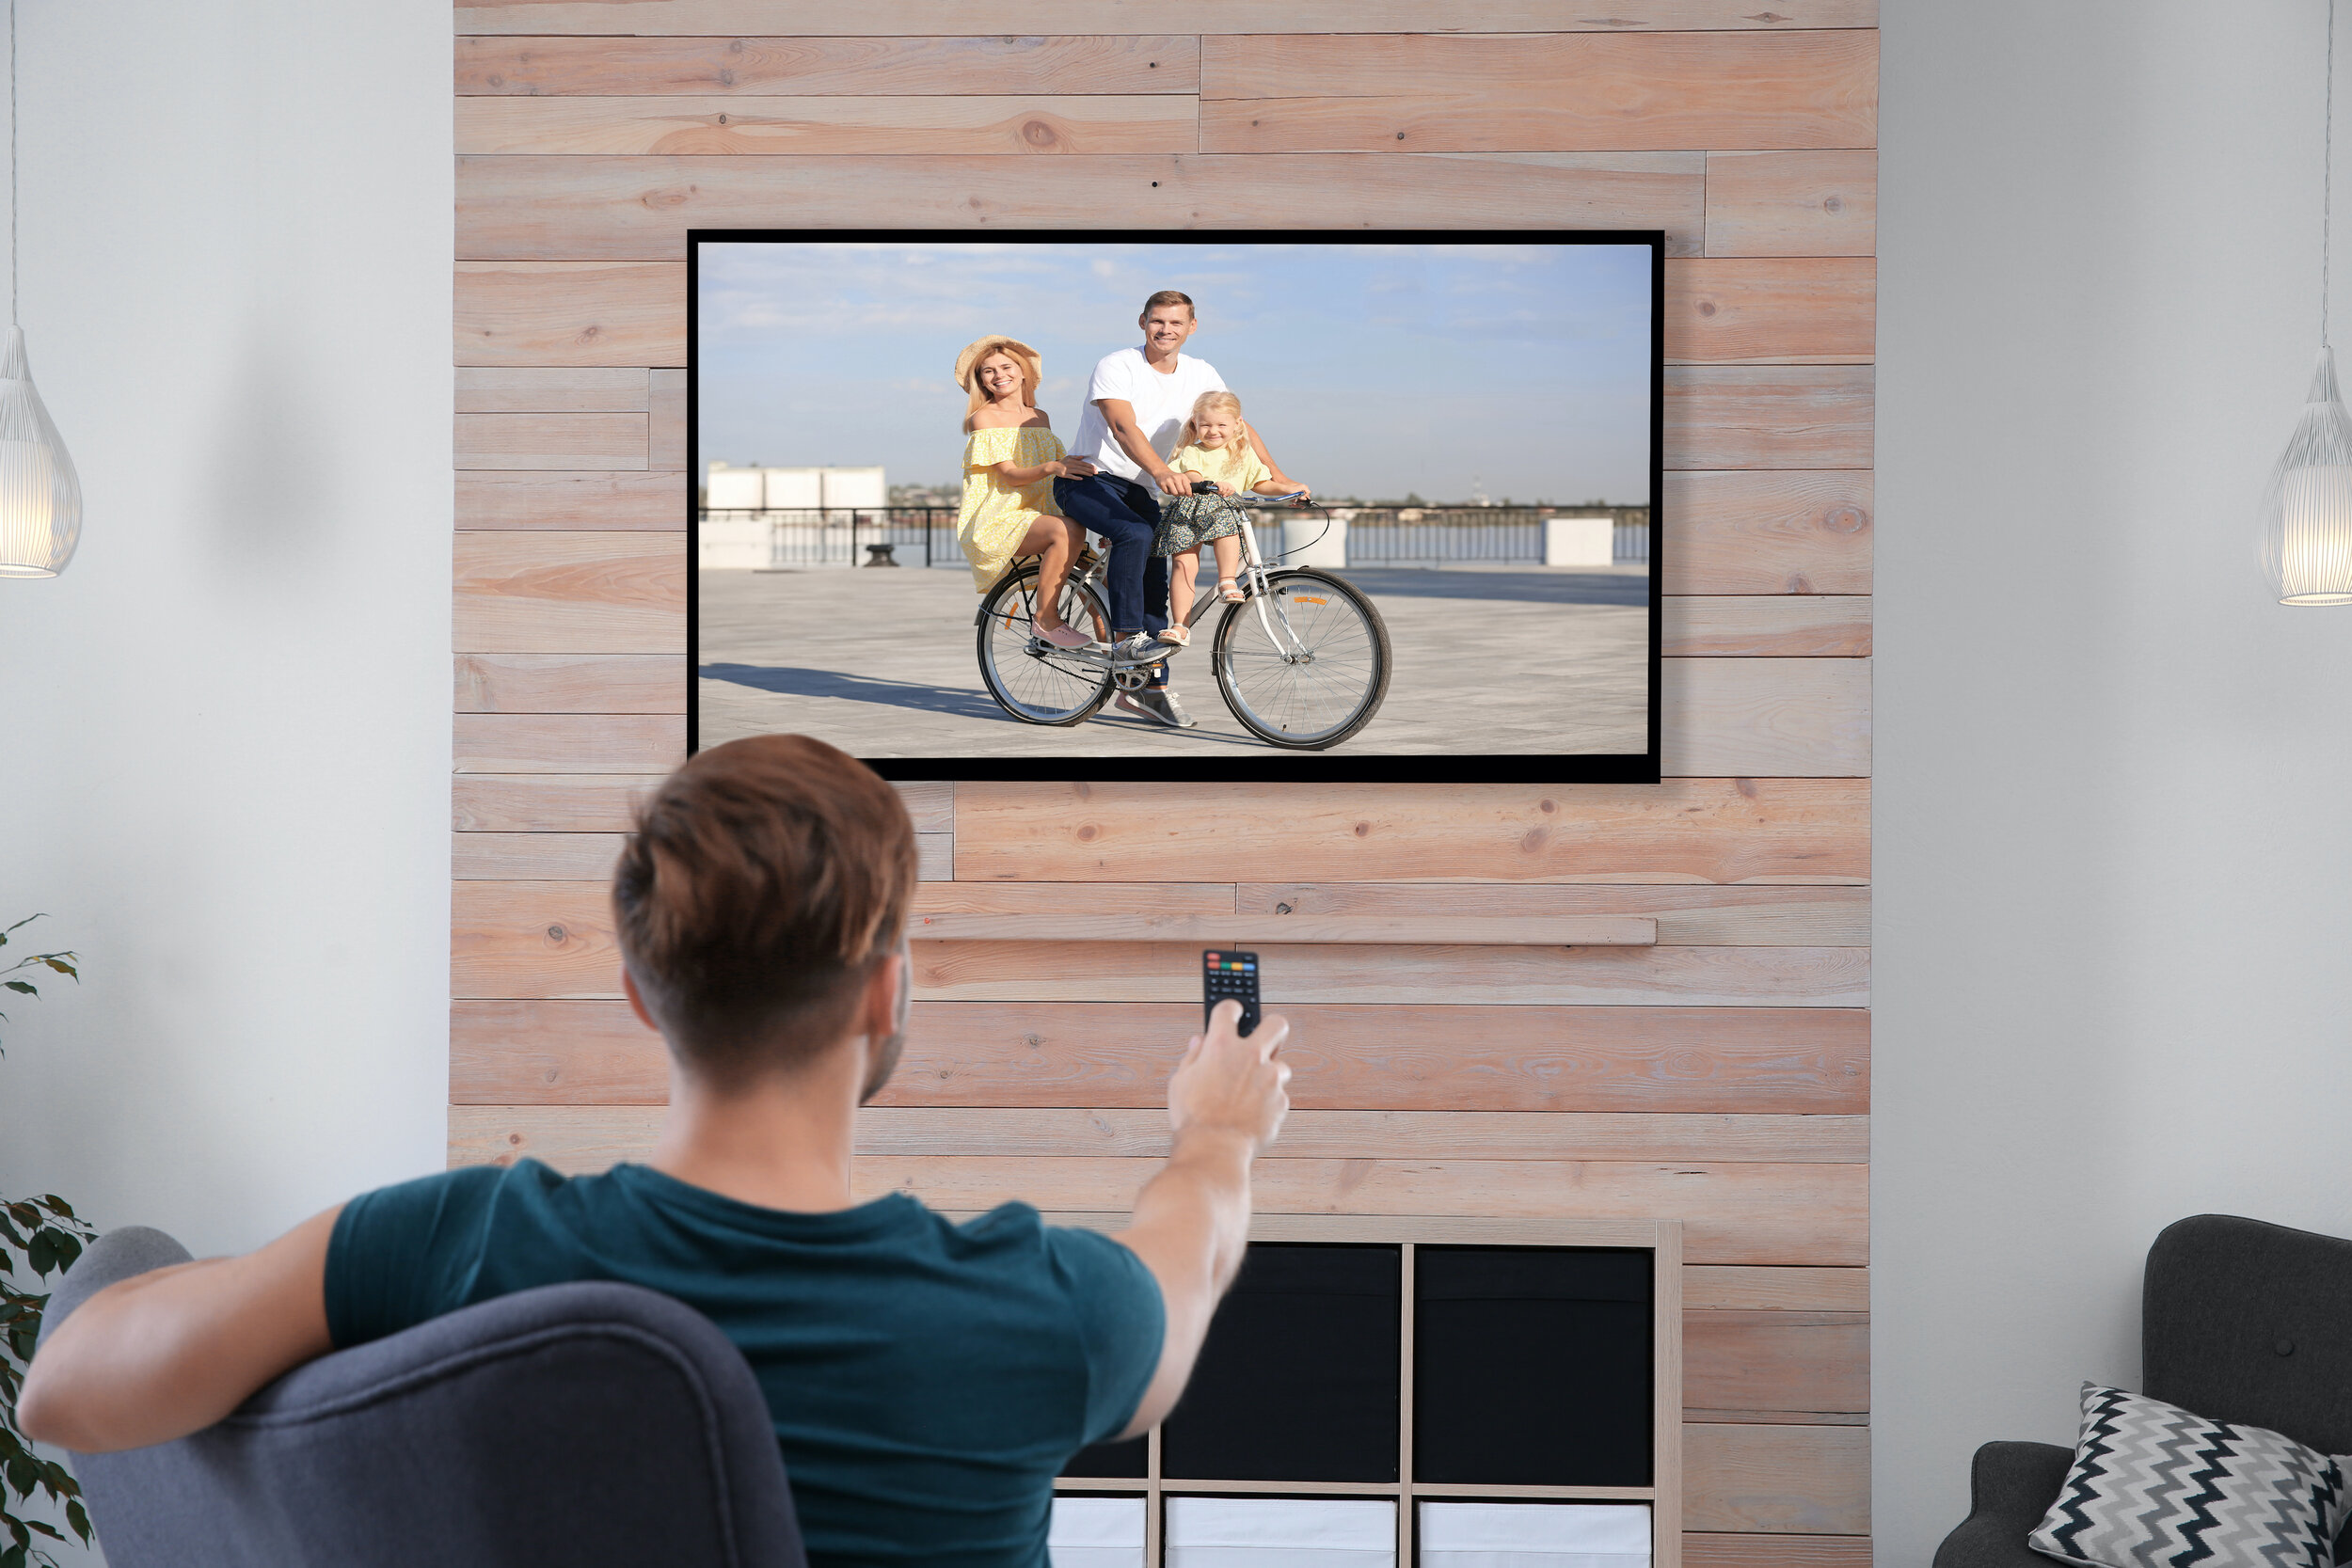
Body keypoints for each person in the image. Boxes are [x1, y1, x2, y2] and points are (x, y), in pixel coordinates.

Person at [21, 735, 1293, 1568]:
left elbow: (64, 1385)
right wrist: (1220, 1130)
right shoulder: (1039, 1307)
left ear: (640, 991)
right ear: (885, 994)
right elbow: (1183, 1262)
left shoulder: (461, 1239)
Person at [1055, 290, 1295, 728]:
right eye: (1157, 321)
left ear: (1192, 327)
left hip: (1142, 489)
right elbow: (1122, 426)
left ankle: (1148, 689)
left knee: (1157, 586)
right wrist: (1164, 471)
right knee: (1136, 535)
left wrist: (1277, 478)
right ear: (1143, 321)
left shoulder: (1201, 372)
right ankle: (1128, 642)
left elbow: (1237, 424)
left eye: (1176, 322)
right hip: (1089, 481)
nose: (1166, 330)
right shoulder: (1118, 365)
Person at [953, 335, 1095, 648]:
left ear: (1022, 372)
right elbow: (1012, 476)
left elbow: (1060, 468)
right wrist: (1052, 467)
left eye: (1006, 366)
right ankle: (1045, 619)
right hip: (1000, 517)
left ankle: (1119, 662)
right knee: (1066, 529)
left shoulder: (1039, 417)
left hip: (1041, 512)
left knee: (1101, 580)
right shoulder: (984, 417)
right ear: (981, 381)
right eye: (988, 371)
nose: (998, 374)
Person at [1154, 389, 1311, 646]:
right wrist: (1210, 484)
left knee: (1228, 527)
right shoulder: (1193, 451)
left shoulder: (1243, 453)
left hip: (1223, 511)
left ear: (1238, 424)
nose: (1213, 431)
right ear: (1195, 424)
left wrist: (1287, 489)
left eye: (1221, 425)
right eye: (1205, 425)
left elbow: (1260, 483)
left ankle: (1227, 579)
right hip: (1189, 510)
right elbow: (1191, 475)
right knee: (1184, 565)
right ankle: (1180, 625)